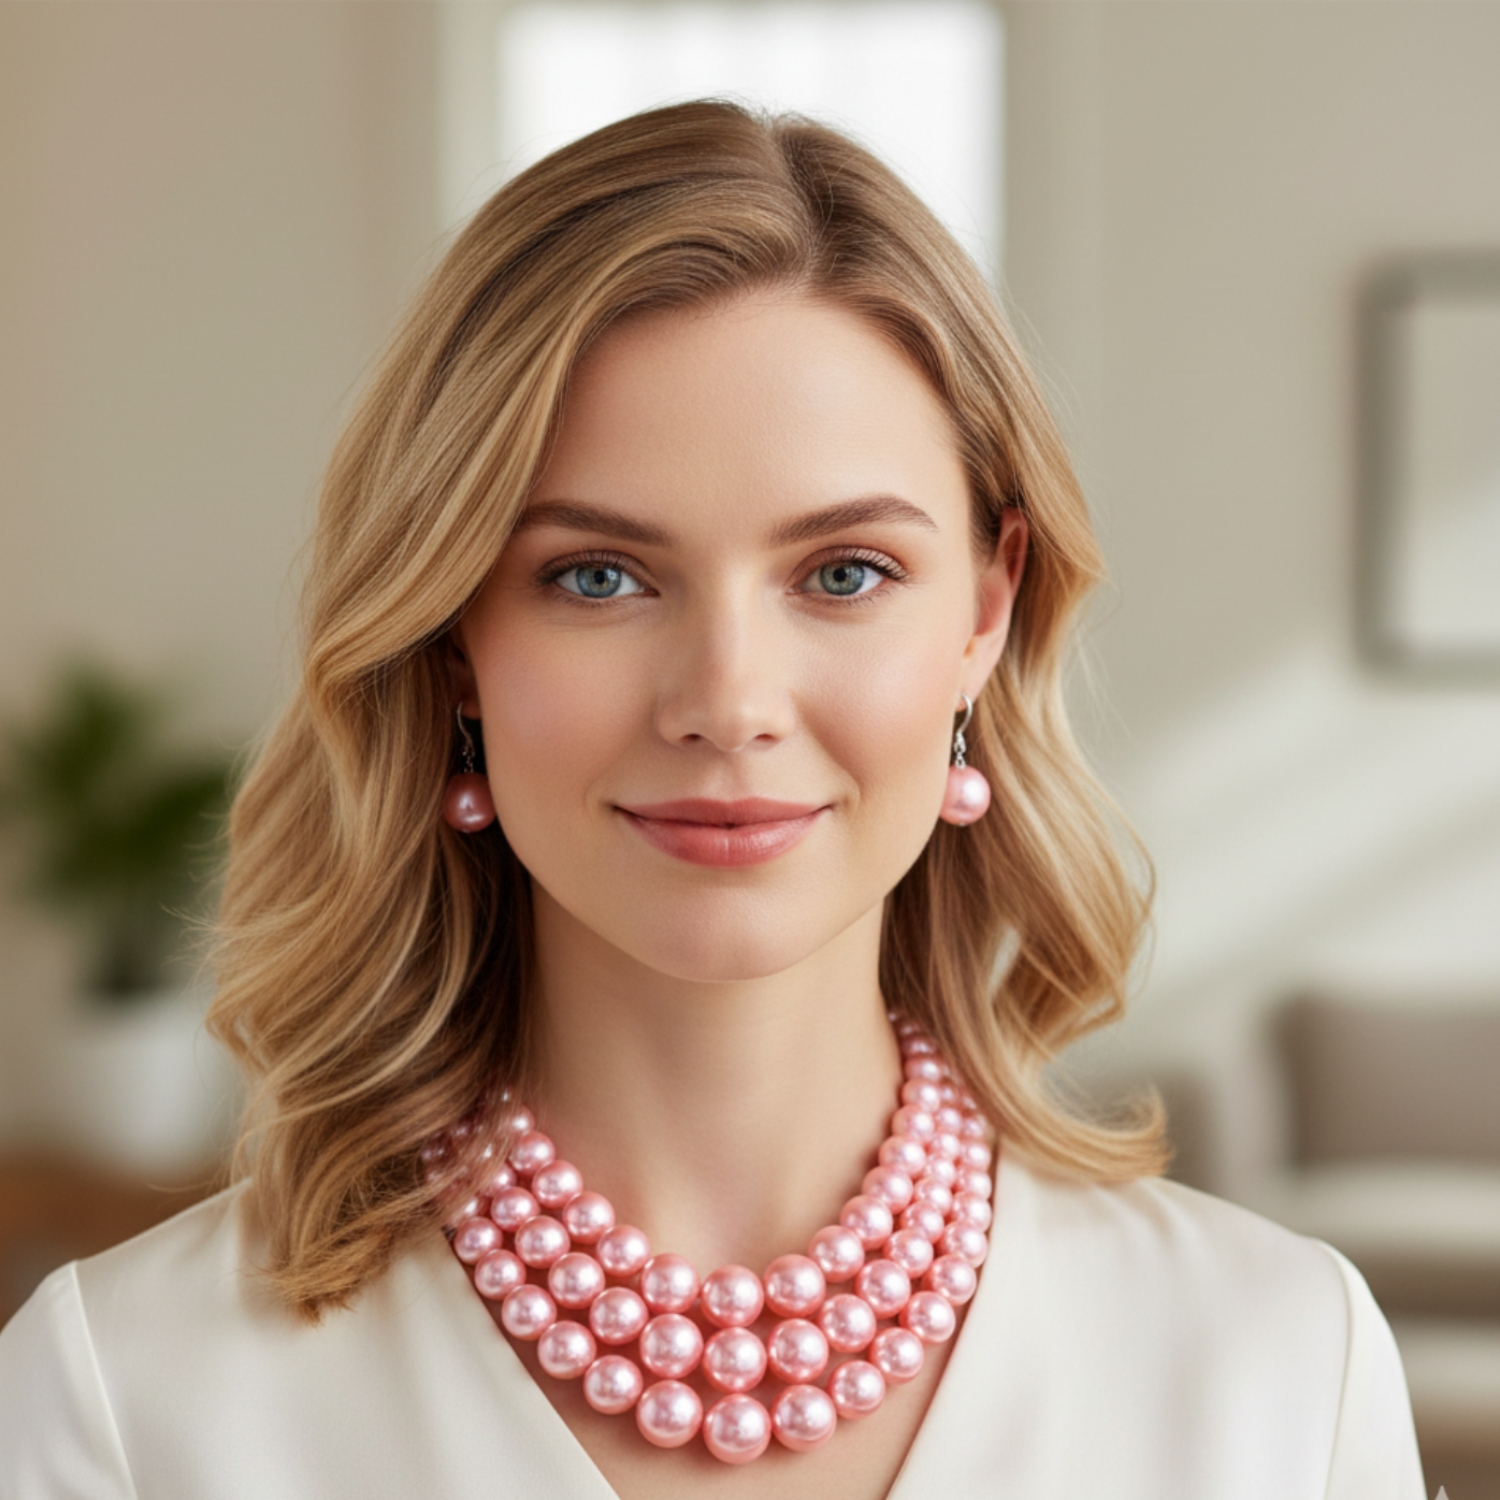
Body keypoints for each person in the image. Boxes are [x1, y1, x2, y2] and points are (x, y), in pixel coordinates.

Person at [0, 100, 1424, 1498]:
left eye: (845, 573)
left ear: (987, 612)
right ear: (451, 643)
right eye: (597, 577)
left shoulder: (1284, 1372)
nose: (729, 700)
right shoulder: (131, 1399)